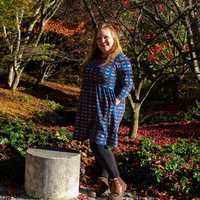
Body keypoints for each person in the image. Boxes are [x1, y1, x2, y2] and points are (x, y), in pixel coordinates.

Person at [73, 23, 133, 200]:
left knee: (97, 144)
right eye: (99, 38)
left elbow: (127, 82)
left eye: (105, 37)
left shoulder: (120, 58)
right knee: (99, 143)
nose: (102, 41)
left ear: (113, 37)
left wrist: (115, 100)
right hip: (89, 104)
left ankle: (117, 182)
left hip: (108, 106)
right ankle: (102, 183)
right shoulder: (95, 57)